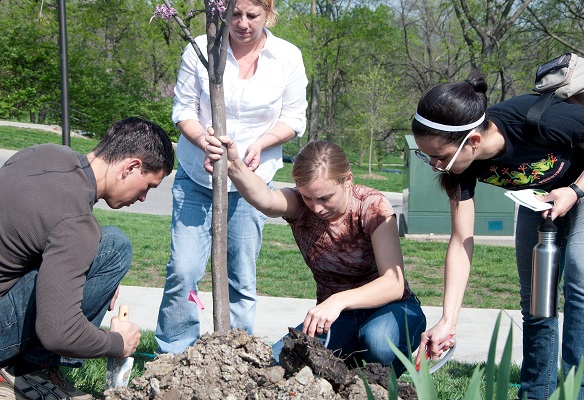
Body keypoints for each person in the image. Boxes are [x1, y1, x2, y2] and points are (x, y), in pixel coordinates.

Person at [411, 70, 584, 399]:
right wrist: (448, 320)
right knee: (535, 295)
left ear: (473, 141)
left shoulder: (539, 120)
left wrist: (575, 190)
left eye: (440, 156)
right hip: (539, 195)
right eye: (426, 154)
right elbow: (460, 240)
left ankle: (580, 393)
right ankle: (535, 393)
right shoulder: (461, 167)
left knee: (581, 270)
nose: (433, 164)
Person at [154, 0, 308, 354]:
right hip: (197, 176)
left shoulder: (287, 57)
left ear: (268, 14)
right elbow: (183, 109)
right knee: (184, 269)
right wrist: (203, 140)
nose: (242, 23)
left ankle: (235, 354)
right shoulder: (200, 48)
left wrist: (262, 143)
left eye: (252, 15)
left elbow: (294, 117)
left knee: (240, 273)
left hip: (250, 181)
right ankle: (174, 353)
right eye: (234, 14)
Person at [205, 136, 426, 375]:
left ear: (347, 180)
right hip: (339, 319)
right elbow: (267, 200)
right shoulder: (301, 206)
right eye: (308, 197)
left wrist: (337, 300)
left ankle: (379, 384)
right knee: (282, 362)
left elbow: (394, 283)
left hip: (391, 310)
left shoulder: (371, 207)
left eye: (325, 197)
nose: (316, 207)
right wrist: (235, 166)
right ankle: (345, 368)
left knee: (379, 343)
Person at [0, 117, 175, 399]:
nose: (144, 197)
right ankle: (29, 370)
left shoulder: (44, 154)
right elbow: (59, 332)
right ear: (131, 167)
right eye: (149, 186)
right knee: (114, 247)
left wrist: (85, 264)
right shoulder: (76, 225)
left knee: (104, 247)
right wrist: (119, 343)